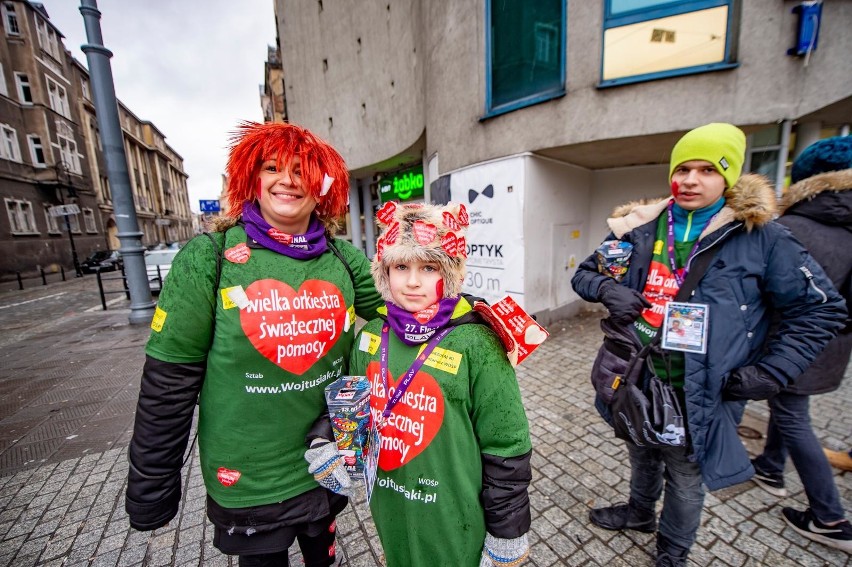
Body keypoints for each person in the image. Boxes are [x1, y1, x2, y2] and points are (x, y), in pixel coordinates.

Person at [571, 123, 847, 566]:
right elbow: (585, 274)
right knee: (641, 450)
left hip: (705, 388)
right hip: (637, 375)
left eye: (707, 169)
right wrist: (608, 290)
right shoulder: (638, 227)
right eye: (682, 168)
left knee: (684, 476)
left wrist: (772, 372)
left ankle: (672, 552)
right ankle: (641, 513)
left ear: (729, 177)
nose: (690, 180)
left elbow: (821, 310)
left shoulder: (762, 236)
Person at [124, 122, 384, 566]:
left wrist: (461, 309)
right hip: (249, 477)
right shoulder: (209, 258)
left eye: (302, 170)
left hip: (325, 462)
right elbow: (169, 384)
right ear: (252, 177)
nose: (287, 180)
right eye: (272, 168)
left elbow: (397, 321)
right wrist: (152, 486)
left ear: (322, 185)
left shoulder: (344, 258)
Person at [349, 201, 533, 567]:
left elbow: (507, 444)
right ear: (385, 271)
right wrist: (332, 443)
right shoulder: (370, 335)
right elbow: (353, 410)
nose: (413, 281)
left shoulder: (476, 342)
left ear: (449, 273)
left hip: (457, 516)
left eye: (428, 267)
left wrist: (506, 532)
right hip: (390, 503)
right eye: (401, 266)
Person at [750, 135, 852, 552]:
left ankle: (829, 517)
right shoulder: (848, 228)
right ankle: (771, 467)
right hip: (830, 348)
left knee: (792, 418)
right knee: (789, 409)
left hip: (788, 347)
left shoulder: (787, 229)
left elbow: (760, 296)